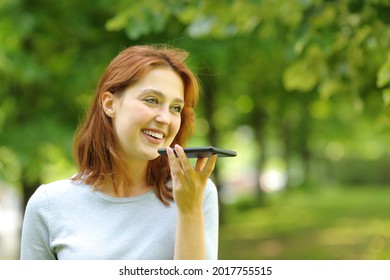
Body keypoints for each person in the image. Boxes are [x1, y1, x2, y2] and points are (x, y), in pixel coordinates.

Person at [20, 45, 219, 260]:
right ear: (109, 104)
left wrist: (189, 211)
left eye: (175, 108)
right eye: (152, 100)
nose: (165, 118)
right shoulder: (49, 205)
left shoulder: (195, 192)